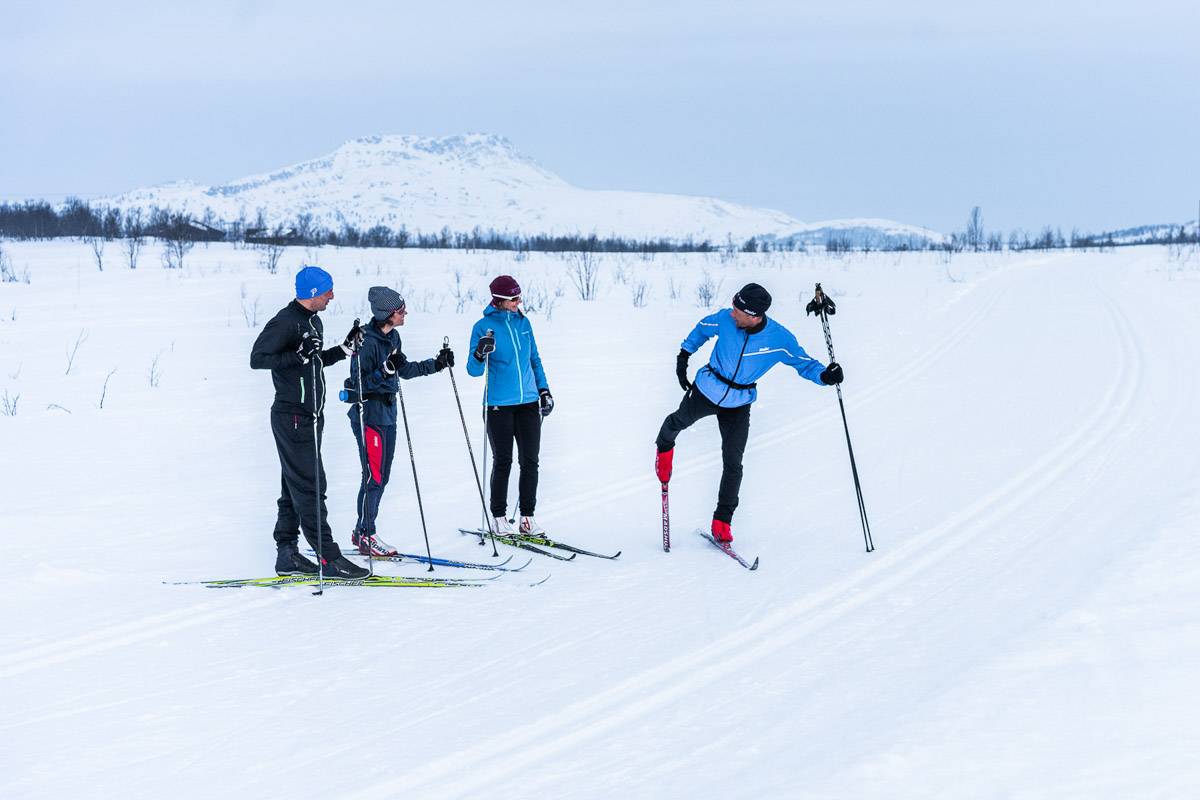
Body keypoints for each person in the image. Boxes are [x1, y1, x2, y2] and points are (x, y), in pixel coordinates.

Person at [654, 282, 844, 543]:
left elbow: (804, 364)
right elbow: (702, 329)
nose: (732, 313)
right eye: (732, 308)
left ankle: (722, 521)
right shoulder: (725, 319)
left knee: (734, 463)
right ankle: (663, 451)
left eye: (738, 311)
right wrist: (684, 355)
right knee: (676, 423)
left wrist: (825, 375)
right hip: (707, 389)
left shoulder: (779, 339)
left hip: (739, 403)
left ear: (754, 316)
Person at [250, 265, 370, 579]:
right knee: (311, 485)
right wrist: (297, 356)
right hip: (291, 416)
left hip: (310, 416)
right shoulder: (286, 322)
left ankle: (287, 554)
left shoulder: (312, 320)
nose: (332, 296)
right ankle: (328, 558)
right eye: (328, 291)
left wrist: (343, 350)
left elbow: (312, 359)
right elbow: (258, 359)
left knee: (294, 485)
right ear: (314, 293)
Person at [346, 286, 454, 556]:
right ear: (387, 313)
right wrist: (385, 370)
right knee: (374, 476)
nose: (405, 313)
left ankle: (363, 529)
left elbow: (403, 370)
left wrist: (437, 364)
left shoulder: (392, 337)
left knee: (382, 476)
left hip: (388, 416)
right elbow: (356, 386)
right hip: (369, 415)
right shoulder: (366, 342)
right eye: (401, 310)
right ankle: (365, 533)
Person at [465, 275, 553, 536]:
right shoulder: (483, 327)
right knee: (503, 461)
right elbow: (473, 370)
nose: (518, 302)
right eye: (514, 298)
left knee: (530, 462)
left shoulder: (523, 323)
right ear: (500, 300)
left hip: (528, 402)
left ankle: (527, 517)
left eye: (519, 297)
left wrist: (544, 390)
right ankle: (499, 518)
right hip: (498, 405)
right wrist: (481, 352)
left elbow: (534, 359)